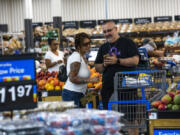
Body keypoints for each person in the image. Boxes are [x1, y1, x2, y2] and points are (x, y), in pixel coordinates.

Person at [94, 21, 139, 135]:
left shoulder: (127, 43)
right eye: (104, 32)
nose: (107, 33)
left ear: (116, 29)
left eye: (109, 30)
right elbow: (97, 67)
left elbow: (135, 61)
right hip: (108, 87)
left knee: (130, 118)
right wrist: (104, 64)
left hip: (127, 85)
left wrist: (117, 61)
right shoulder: (103, 47)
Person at [62, 32, 99, 108]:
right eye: (85, 44)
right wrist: (90, 80)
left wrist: (89, 93)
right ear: (78, 46)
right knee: (75, 119)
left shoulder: (82, 57)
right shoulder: (76, 57)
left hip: (79, 94)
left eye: (89, 43)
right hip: (71, 95)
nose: (88, 46)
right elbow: (72, 78)